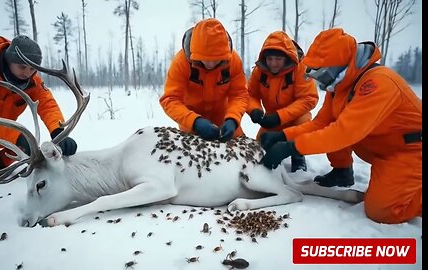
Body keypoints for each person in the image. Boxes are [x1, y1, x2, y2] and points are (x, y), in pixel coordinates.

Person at [259, 28, 421, 224]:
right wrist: (283, 136)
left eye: (321, 73)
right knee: (334, 126)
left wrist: (291, 148)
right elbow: (320, 124)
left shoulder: (379, 83)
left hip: (408, 152)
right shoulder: (340, 86)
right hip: (380, 148)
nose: (319, 81)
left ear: (337, 67)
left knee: (382, 211)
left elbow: (342, 133)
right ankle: (343, 173)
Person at [0, 35, 78, 182]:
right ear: (9, 60)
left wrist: (58, 131)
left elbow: (47, 105)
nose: (27, 73)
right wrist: (16, 137)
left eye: (32, 68)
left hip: (0, 131)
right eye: (22, 67)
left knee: (27, 149)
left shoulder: (32, 81)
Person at [159, 18, 248, 142]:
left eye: (217, 59)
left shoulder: (233, 61)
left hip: (225, 123)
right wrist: (195, 122)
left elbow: (239, 95)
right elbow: (170, 99)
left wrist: (233, 119)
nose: (211, 64)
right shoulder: (181, 62)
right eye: (205, 59)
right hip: (191, 123)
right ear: (194, 54)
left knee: (243, 155)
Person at [247, 31, 318, 172]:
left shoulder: (300, 69)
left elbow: (309, 99)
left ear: (287, 58)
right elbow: (249, 95)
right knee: (258, 147)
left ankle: (298, 157)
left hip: (295, 118)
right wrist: (254, 110)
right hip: (271, 119)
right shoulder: (259, 71)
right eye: (270, 58)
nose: (273, 63)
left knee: (303, 125)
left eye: (278, 59)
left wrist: (280, 116)